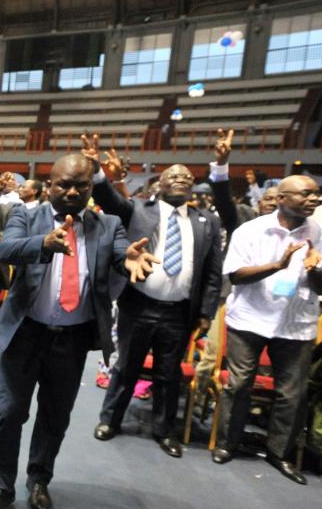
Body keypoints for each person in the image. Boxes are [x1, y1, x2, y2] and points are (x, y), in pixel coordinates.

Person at [0, 154, 157, 509]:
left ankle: (39, 480)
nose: (73, 191)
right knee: (9, 411)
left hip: (72, 339)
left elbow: (123, 254)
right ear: (50, 186)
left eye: (81, 185)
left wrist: (129, 260)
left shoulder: (107, 225)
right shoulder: (26, 215)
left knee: (55, 415)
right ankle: (1, 485)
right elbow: (9, 247)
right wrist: (43, 244)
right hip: (25, 333)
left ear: (91, 188)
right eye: (65, 184)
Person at [83, 135, 224, 459]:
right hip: (138, 304)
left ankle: (164, 431)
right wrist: (96, 169)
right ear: (159, 184)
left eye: (187, 178)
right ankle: (110, 420)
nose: (181, 180)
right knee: (126, 368)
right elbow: (108, 198)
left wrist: (206, 312)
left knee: (168, 372)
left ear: (192, 186)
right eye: (173, 176)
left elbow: (213, 271)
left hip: (179, 312)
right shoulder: (137, 209)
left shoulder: (207, 221)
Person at [213, 175, 322, 485]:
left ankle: (279, 453)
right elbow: (235, 275)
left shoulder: (320, 232)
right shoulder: (251, 230)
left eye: (316, 194)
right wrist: (277, 266)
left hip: (295, 323)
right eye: (306, 194)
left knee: (293, 393)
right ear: (282, 198)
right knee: (239, 385)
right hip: (250, 319)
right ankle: (228, 442)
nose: (314, 199)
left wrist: (315, 270)